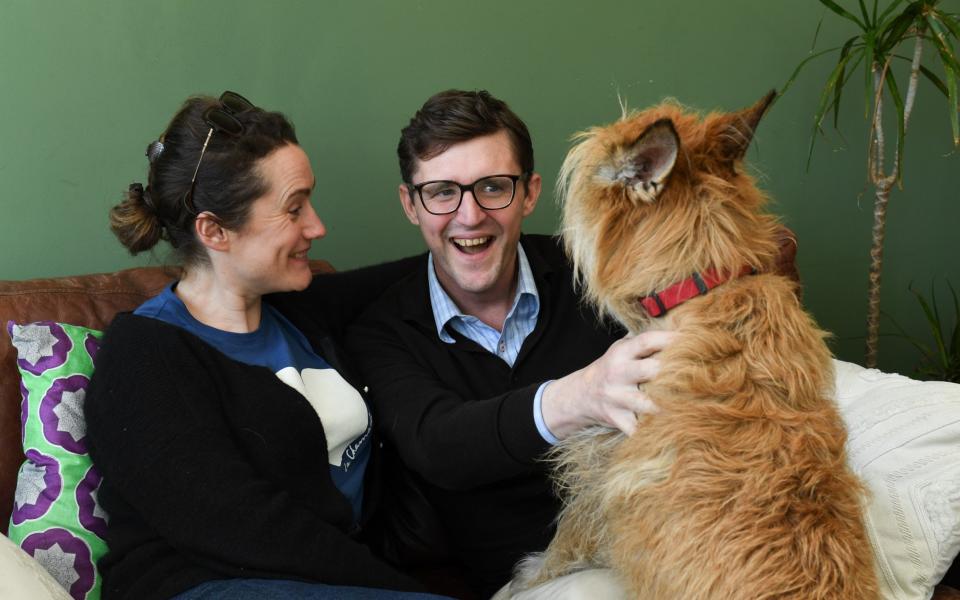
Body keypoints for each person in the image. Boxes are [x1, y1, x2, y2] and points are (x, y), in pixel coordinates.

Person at [85, 92, 449, 600]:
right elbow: (242, 528)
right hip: (204, 588)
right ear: (215, 230)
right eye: (294, 208)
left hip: (326, 583)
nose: (317, 227)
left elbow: (436, 271)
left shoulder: (304, 309)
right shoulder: (145, 356)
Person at [345, 90, 673, 597]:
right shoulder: (382, 331)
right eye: (440, 192)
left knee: (840, 387)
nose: (470, 216)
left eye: (493, 187)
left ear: (530, 193)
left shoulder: (592, 270)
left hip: (664, 528)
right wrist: (580, 395)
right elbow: (439, 445)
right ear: (411, 205)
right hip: (550, 577)